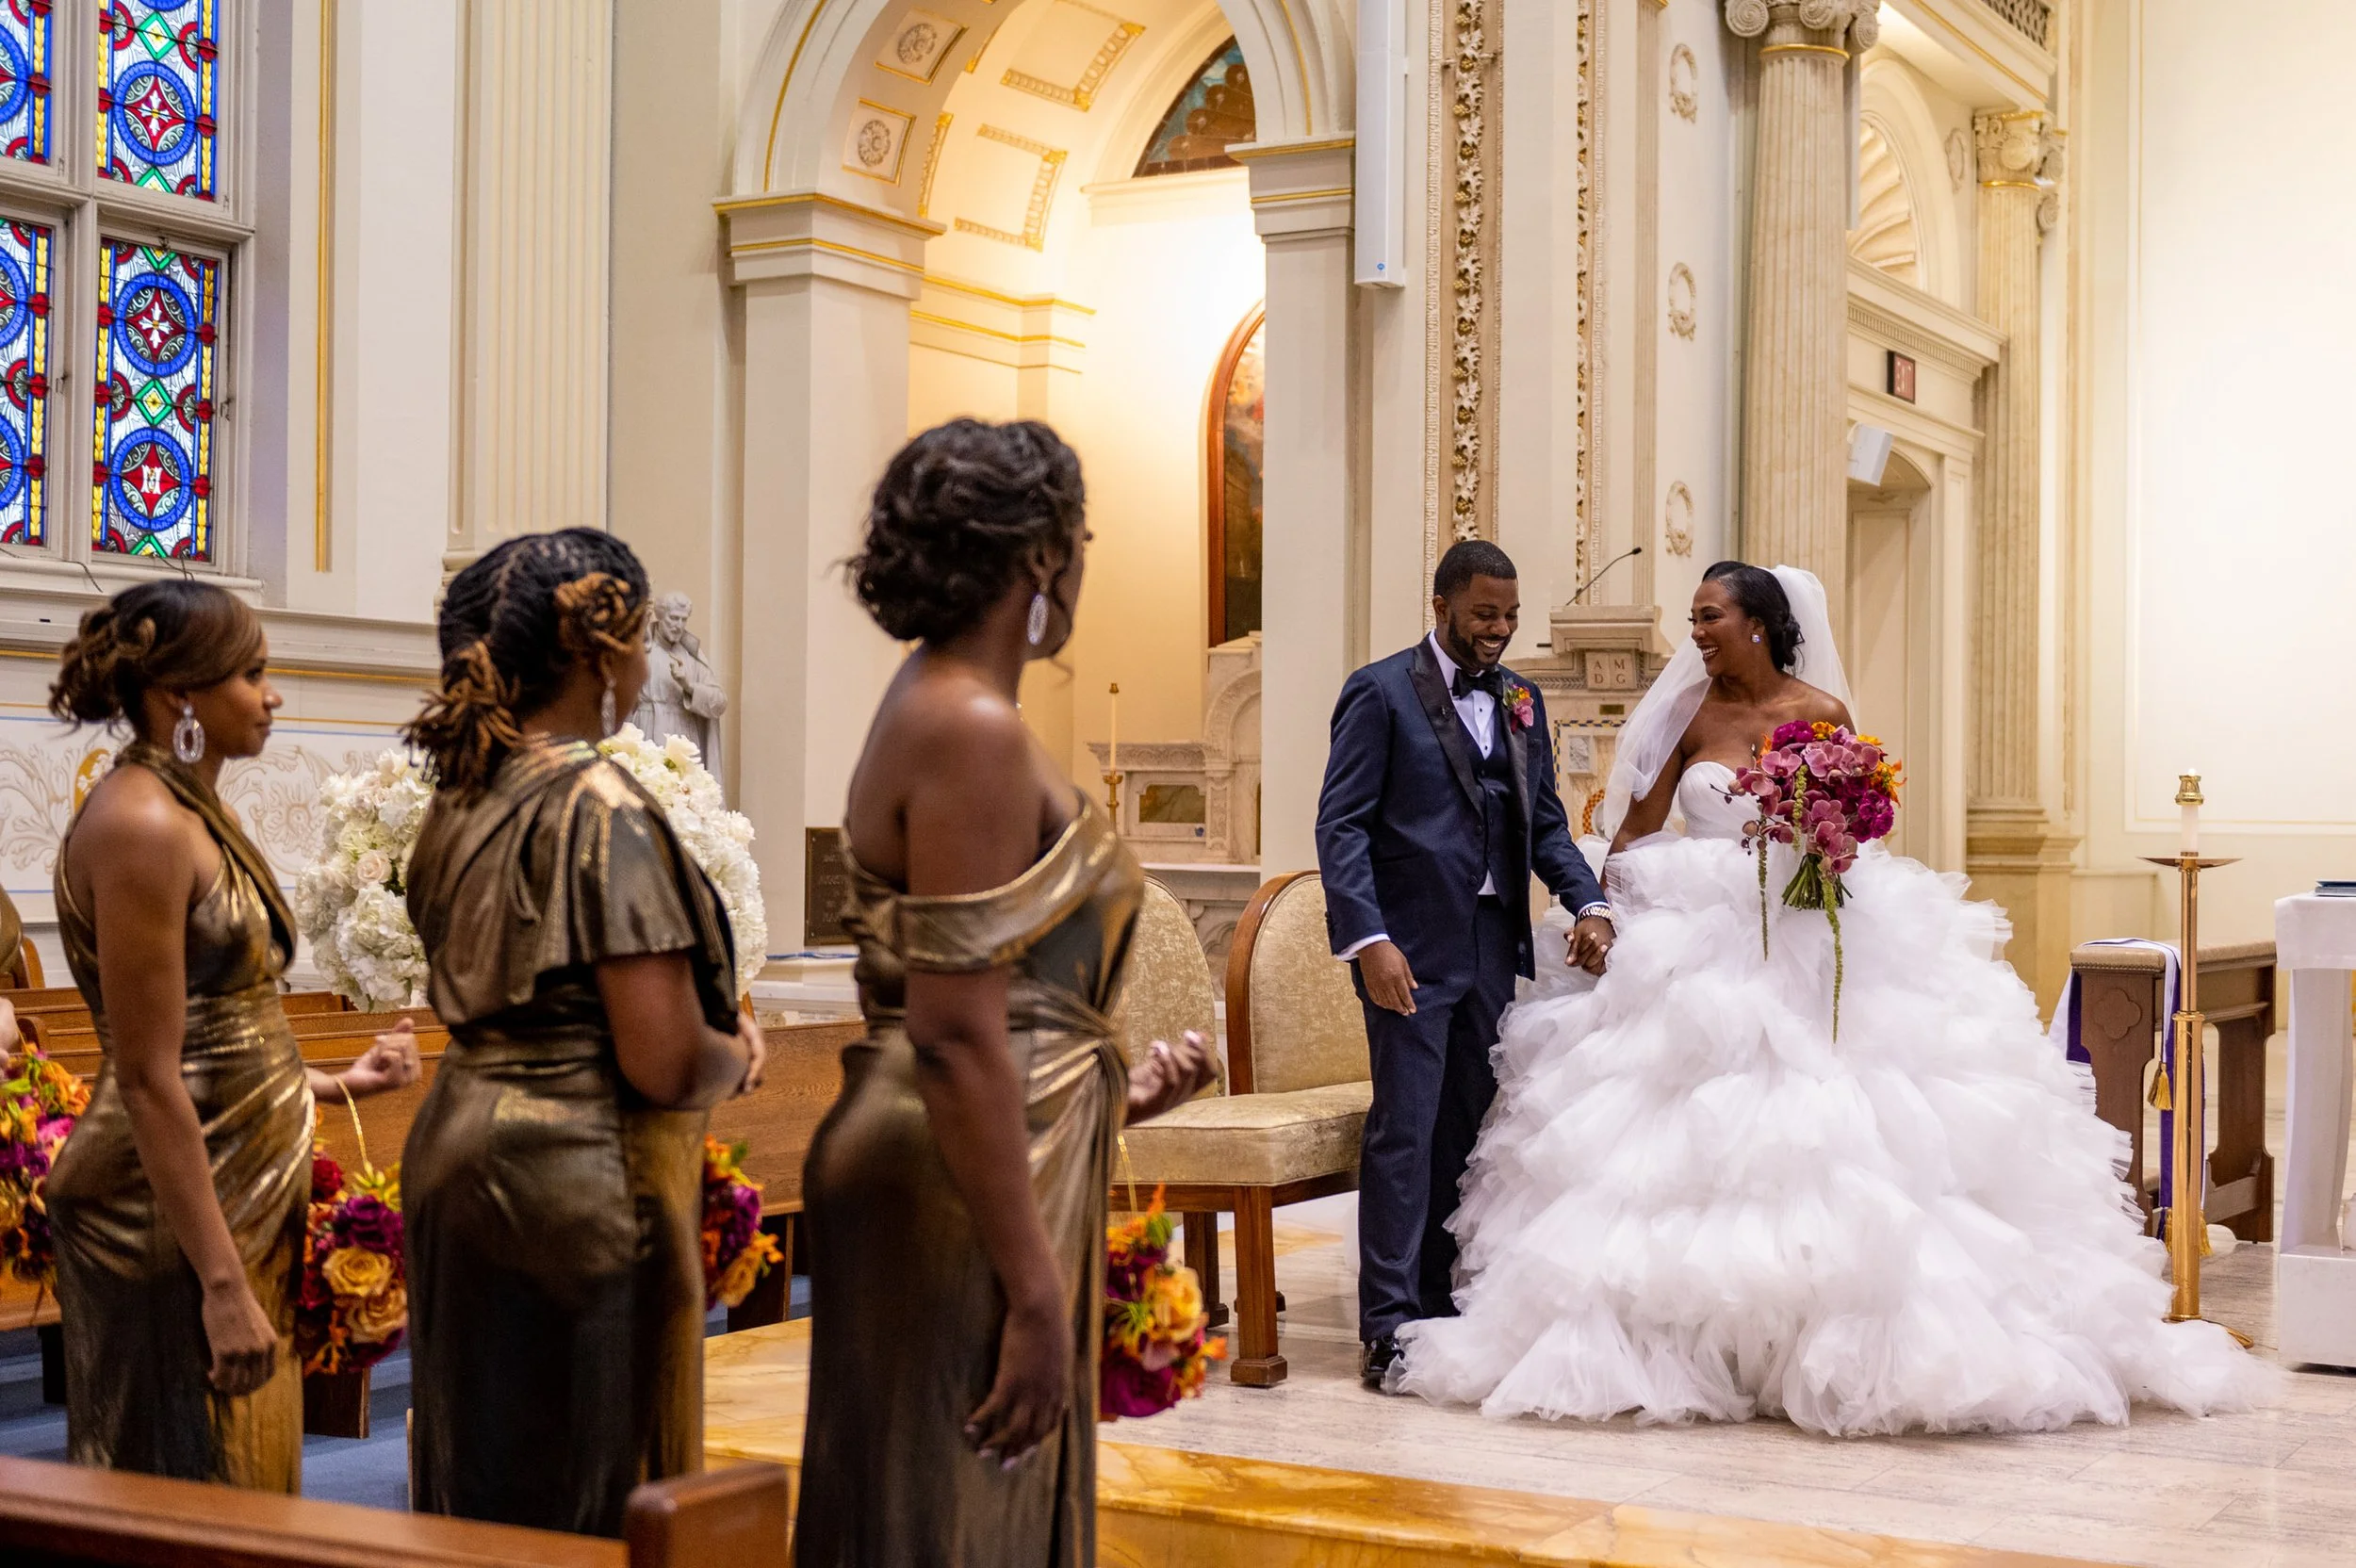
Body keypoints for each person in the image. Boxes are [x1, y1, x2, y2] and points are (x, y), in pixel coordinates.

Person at [1394, 561, 2272, 1433]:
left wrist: (1817, 840)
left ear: (1758, 625)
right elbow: (1634, 831)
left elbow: (1854, 841)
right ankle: (1689, 1339)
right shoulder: (1687, 713)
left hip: (1805, 938)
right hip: (1693, 942)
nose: (1696, 634)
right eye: (1693, 619)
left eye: (1709, 617)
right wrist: (1604, 911)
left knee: (1832, 1128)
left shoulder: (1821, 715)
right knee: (1675, 1138)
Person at [797, 418, 1218, 1568]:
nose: (1081, 565)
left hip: (976, 1140)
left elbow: (1001, 1004)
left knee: (974, 1503)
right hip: (947, 1164)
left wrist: (1115, 1086)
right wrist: (1037, 1296)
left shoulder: (945, 703)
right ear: (1040, 554)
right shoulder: (969, 726)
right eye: (1079, 541)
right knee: (956, 1512)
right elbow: (950, 1030)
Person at [399, 529, 765, 1536]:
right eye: (638, 640)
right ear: (601, 656)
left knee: (483, 1480)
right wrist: (737, 1055)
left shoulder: (460, 795)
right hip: (573, 1174)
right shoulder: (602, 806)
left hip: (456, 1147)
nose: (646, 664)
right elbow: (663, 1057)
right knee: (593, 1485)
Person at [41, 580, 419, 1491]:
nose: (271, 695)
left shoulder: (200, 809)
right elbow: (146, 1073)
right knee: (195, 1488)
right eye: (250, 674)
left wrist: (337, 1082)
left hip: (234, 1186)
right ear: (180, 694)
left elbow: (218, 1028)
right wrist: (219, 1283)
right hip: (164, 1216)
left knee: (251, 1482)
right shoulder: (142, 823)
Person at [1314, 540, 1615, 1394]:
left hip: (1490, 942)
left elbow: (1545, 822)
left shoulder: (1520, 699)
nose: (1500, 629)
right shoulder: (1379, 691)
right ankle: (1385, 1323)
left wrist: (1589, 903)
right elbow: (1341, 825)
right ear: (1441, 605)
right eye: (1485, 613)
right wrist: (1369, 940)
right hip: (1407, 948)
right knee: (1404, 1132)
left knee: (1466, 1131)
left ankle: (1436, 1303)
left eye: (1510, 615)